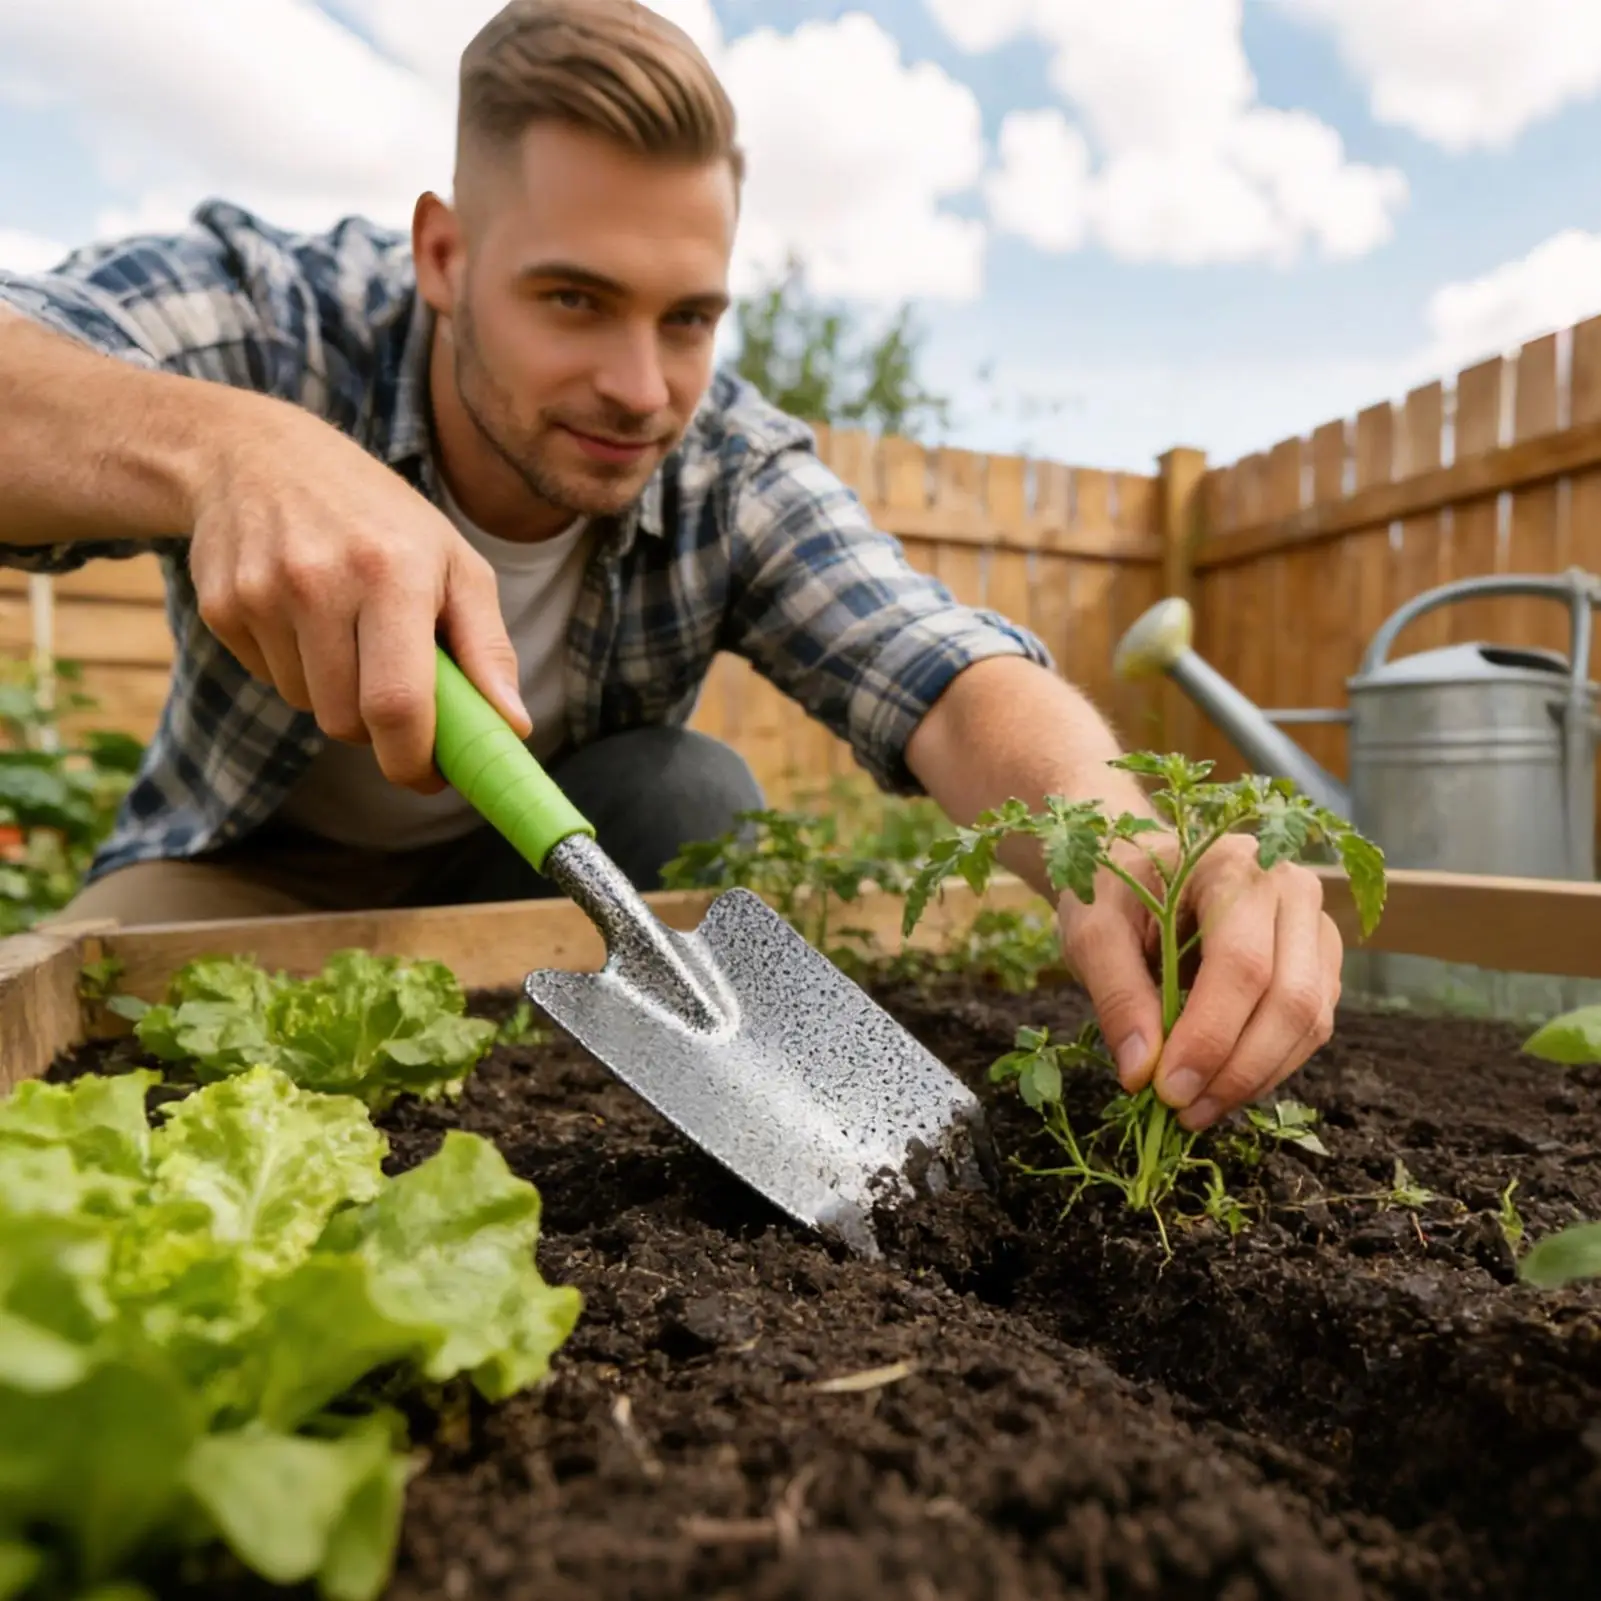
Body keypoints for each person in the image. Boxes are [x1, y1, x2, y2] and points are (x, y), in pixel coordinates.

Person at [0, 0, 1342, 1133]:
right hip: (245, 869)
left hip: (540, 893)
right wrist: (226, 446)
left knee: (689, 789)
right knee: (76, 1060)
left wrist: (1120, 834)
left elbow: (935, 667)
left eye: (689, 317)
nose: (642, 389)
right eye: (575, 300)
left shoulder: (725, 469)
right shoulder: (280, 323)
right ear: (446, 257)